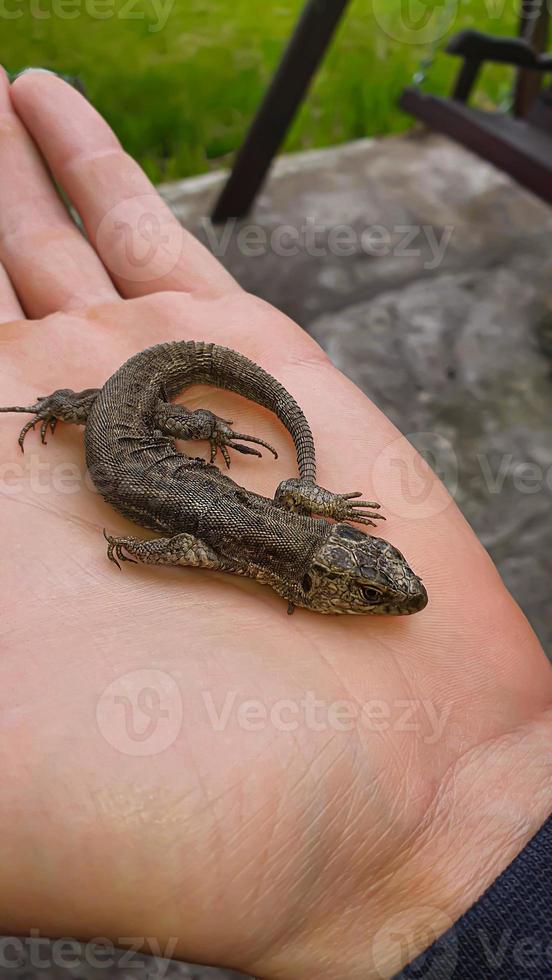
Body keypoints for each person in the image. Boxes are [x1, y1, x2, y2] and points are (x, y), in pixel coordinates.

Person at [0, 66, 550, 979]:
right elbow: (194, 540)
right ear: (323, 577)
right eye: (373, 577)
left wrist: (302, 487)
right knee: (86, 403)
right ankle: (126, 409)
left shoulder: (270, 541)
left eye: (373, 575)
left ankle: (164, 411)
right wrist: (147, 534)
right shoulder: (259, 549)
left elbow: (226, 528)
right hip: (122, 419)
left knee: (141, 412)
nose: (395, 593)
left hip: (132, 420)